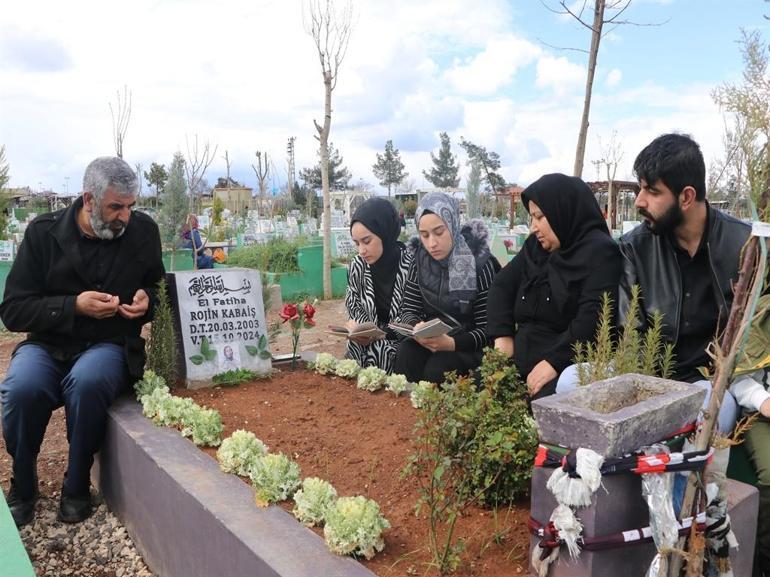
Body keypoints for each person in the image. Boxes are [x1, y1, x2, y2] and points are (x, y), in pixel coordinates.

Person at [0, 157, 165, 526]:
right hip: (46, 344)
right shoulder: (43, 234)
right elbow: (12, 310)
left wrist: (147, 302)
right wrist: (73, 306)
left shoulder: (142, 232)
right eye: (115, 207)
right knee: (22, 387)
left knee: (88, 382)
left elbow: (158, 287)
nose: (125, 216)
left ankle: (76, 485)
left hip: (109, 343)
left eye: (130, 206)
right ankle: (23, 483)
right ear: (89, 200)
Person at [608, 133, 749, 431]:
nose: (639, 201)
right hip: (650, 379)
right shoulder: (635, 247)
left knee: (718, 412)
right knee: (571, 379)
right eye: (639, 188)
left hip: (708, 381)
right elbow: (629, 331)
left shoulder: (745, 246)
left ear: (686, 197)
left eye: (652, 191)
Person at [486, 173, 621, 400]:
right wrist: (502, 339)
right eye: (532, 218)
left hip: (565, 364)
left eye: (539, 217)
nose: (533, 227)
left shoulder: (600, 253)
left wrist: (554, 361)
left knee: (541, 407)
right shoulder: (535, 248)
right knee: (480, 392)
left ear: (562, 213)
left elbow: (592, 317)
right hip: (520, 357)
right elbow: (502, 286)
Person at [393, 192, 499, 383]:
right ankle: (405, 411)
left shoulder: (479, 263)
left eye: (439, 232)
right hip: (432, 339)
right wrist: (417, 328)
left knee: (439, 367)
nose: (432, 243)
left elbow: (489, 330)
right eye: (424, 235)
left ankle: (441, 413)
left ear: (452, 224)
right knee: (406, 353)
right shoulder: (419, 260)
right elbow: (409, 309)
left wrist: (452, 343)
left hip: (469, 346)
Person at [345, 197, 412, 373]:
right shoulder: (357, 266)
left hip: (402, 341)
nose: (361, 250)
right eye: (357, 243)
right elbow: (354, 306)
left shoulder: (411, 266)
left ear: (385, 233)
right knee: (354, 346)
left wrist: (382, 334)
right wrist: (360, 330)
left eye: (367, 241)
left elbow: (413, 313)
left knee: (381, 349)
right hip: (366, 339)